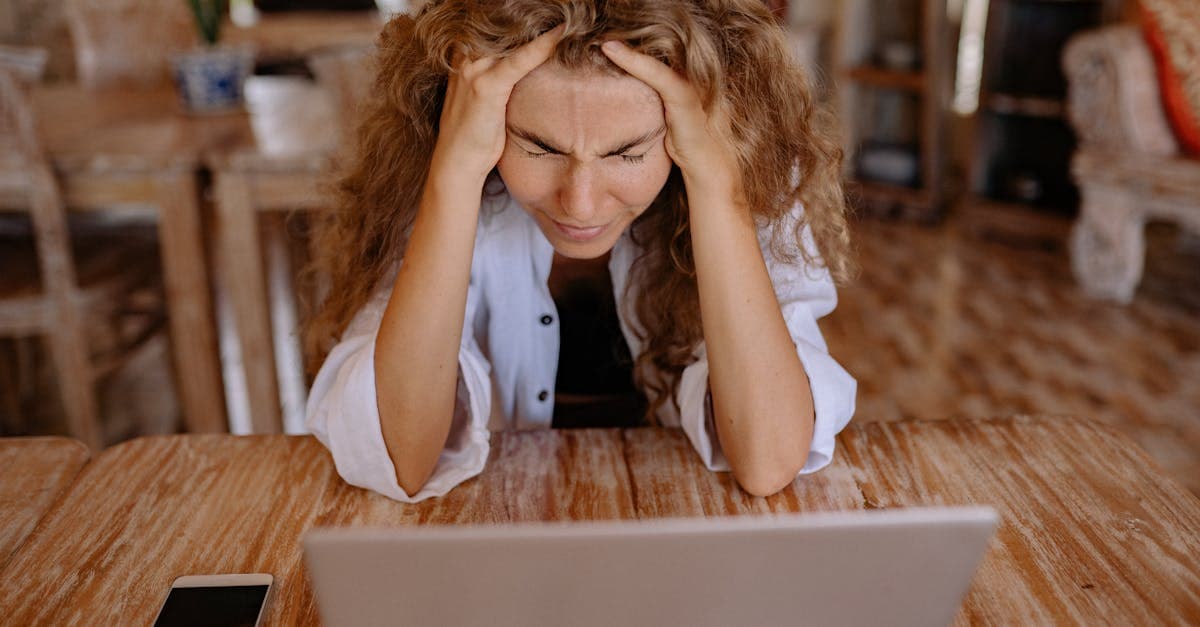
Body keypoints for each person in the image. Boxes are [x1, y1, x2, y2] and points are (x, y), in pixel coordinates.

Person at [304, 0, 856, 502]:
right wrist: (453, 173)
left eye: (627, 152)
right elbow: (400, 460)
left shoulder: (745, 175)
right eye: (540, 147)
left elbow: (768, 461)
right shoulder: (434, 172)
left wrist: (716, 183)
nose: (581, 205)